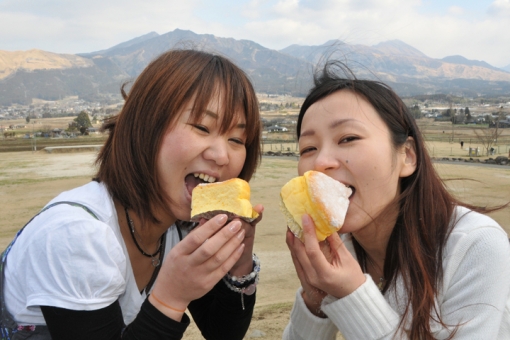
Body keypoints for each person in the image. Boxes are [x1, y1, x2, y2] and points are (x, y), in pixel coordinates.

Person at [1, 49, 263, 339]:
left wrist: (238, 266)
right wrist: (170, 299)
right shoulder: (78, 236)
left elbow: (221, 332)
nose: (222, 156)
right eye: (202, 127)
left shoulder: (176, 230)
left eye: (237, 139)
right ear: (146, 126)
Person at [283, 61, 510, 339]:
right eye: (308, 148)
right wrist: (315, 300)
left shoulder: (474, 245)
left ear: (407, 156)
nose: (320, 162)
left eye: (348, 138)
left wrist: (353, 294)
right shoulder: (340, 250)